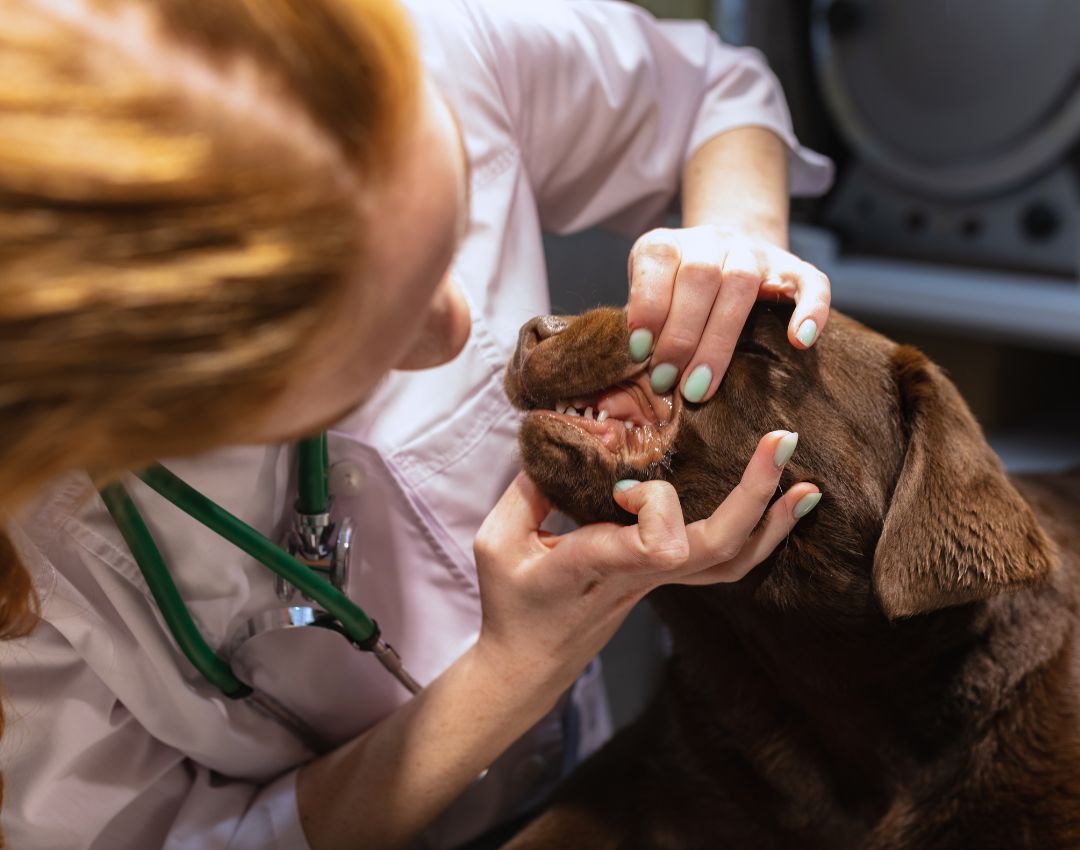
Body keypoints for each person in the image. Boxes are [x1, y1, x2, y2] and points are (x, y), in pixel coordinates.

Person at [0, 1, 833, 848]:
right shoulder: (35, 564)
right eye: (387, 333)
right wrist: (512, 672)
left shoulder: (429, 37)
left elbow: (716, 94)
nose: (462, 326)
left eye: (453, 233)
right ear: (191, 404)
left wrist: (734, 247)